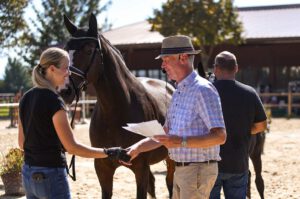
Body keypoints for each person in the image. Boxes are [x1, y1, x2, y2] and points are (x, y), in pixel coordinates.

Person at [18, 47, 128, 199]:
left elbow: (21, 143)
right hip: (51, 174)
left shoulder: (25, 98)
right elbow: (73, 147)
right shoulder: (55, 101)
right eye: (66, 68)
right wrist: (109, 152)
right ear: (52, 69)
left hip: (29, 175)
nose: (69, 73)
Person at [125, 35, 227, 199]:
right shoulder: (178, 92)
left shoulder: (203, 90)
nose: (162, 65)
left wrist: (181, 141)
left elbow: (220, 136)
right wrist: (136, 148)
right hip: (182, 171)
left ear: (183, 57)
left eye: (166, 59)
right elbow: (164, 135)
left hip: (197, 171)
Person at [209, 51, 267, 199]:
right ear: (236, 68)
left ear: (215, 69)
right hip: (238, 163)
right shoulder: (249, 93)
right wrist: (244, 129)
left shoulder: (206, 92)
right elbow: (261, 125)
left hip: (211, 163)